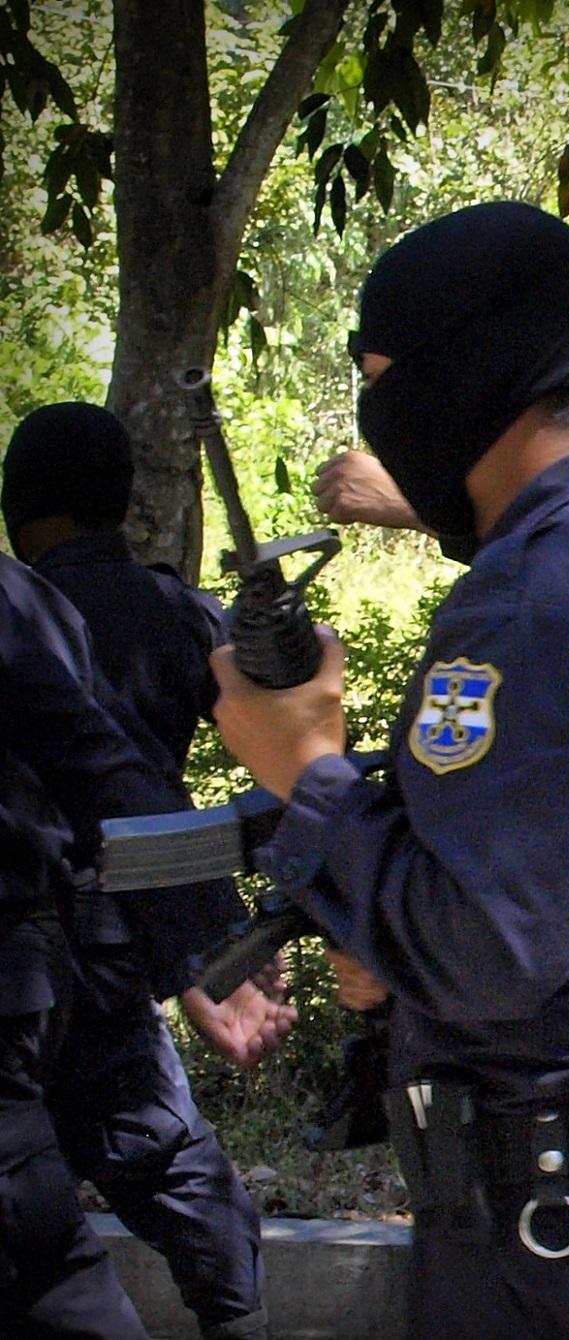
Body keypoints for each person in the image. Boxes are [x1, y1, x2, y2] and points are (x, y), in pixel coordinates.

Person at [207, 201, 569, 1339]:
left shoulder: (535, 596)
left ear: (471, 368)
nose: (377, 410)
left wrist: (302, 768)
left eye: (384, 373)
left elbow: (492, 948)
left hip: (558, 1237)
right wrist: (388, 940)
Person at [4, 401, 288, 1340]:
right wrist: (218, 944)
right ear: (124, 500)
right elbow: (272, 740)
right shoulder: (174, 610)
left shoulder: (25, 605)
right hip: (128, 936)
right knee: (164, 1158)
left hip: (38, 944)